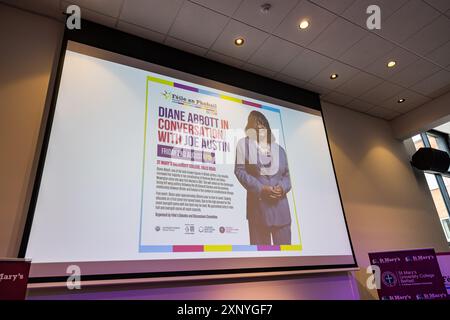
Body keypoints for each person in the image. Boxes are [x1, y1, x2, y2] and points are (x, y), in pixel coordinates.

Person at [234, 110, 292, 245]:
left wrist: (282, 188)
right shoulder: (243, 146)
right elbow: (239, 171)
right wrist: (261, 188)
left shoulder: (280, 150)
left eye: (263, 125)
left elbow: (287, 176)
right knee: (260, 259)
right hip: (258, 212)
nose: (260, 128)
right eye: (256, 126)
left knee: (285, 258)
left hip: (281, 212)